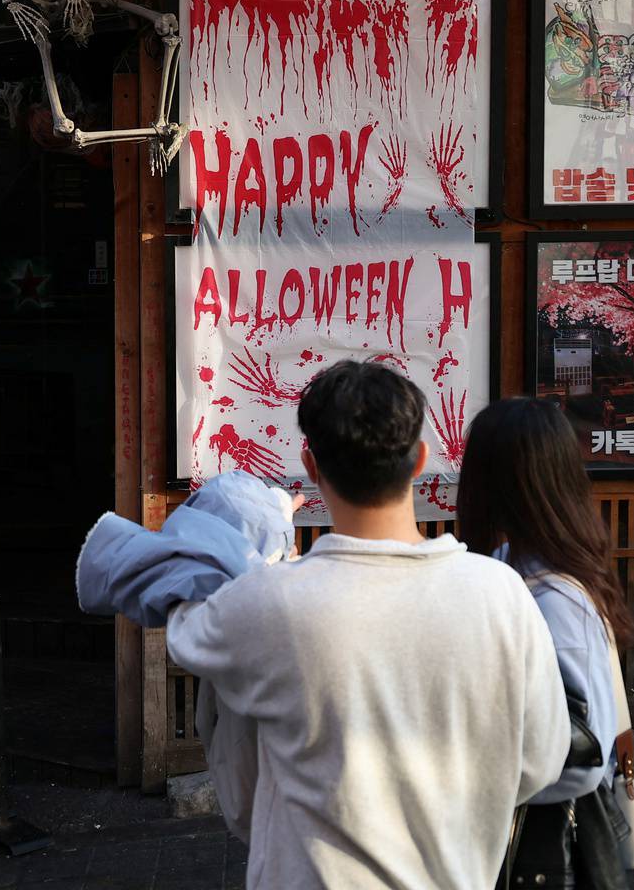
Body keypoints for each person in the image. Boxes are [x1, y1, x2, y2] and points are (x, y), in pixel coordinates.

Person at [165, 360, 571, 890]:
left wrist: (262, 540)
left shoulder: (269, 602)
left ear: (311, 464)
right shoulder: (502, 593)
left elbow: (183, 629)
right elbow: (541, 760)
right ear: (421, 459)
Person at [457, 397, 634, 889]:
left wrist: (472, 780)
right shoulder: (511, 559)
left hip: (543, 847)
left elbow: (583, 761)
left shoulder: (557, 597)